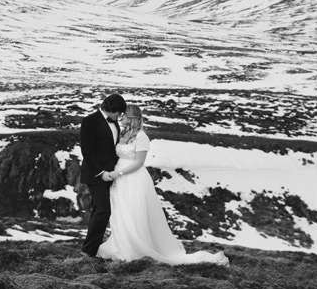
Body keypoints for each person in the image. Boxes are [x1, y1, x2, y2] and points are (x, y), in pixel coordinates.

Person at [97, 104, 229, 266]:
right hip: (119, 179)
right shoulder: (123, 134)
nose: (120, 117)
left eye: (123, 115)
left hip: (133, 178)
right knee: (120, 211)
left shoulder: (141, 137)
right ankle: (121, 245)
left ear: (131, 117)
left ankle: (135, 248)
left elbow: (139, 163)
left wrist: (119, 173)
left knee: (133, 212)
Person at [79, 93, 127, 257]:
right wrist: (101, 173)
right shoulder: (90, 121)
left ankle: (89, 249)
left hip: (110, 174)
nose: (120, 116)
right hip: (95, 174)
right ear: (112, 109)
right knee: (104, 211)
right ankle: (89, 251)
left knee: (98, 210)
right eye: (119, 112)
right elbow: (87, 150)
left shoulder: (114, 122)